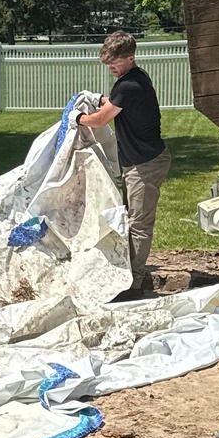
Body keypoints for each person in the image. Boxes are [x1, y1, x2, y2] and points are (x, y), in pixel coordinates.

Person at [75, 30, 170, 296]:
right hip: (135, 163)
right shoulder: (132, 80)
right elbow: (115, 105)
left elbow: (100, 120)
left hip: (146, 164)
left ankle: (134, 284)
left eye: (114, 63)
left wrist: (77, 118)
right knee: (128, 219)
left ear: (130, 57)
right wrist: (101, 100)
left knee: (139, 224)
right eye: (108, 64)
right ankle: (128, 271)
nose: (111, 68)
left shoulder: (129, 84)